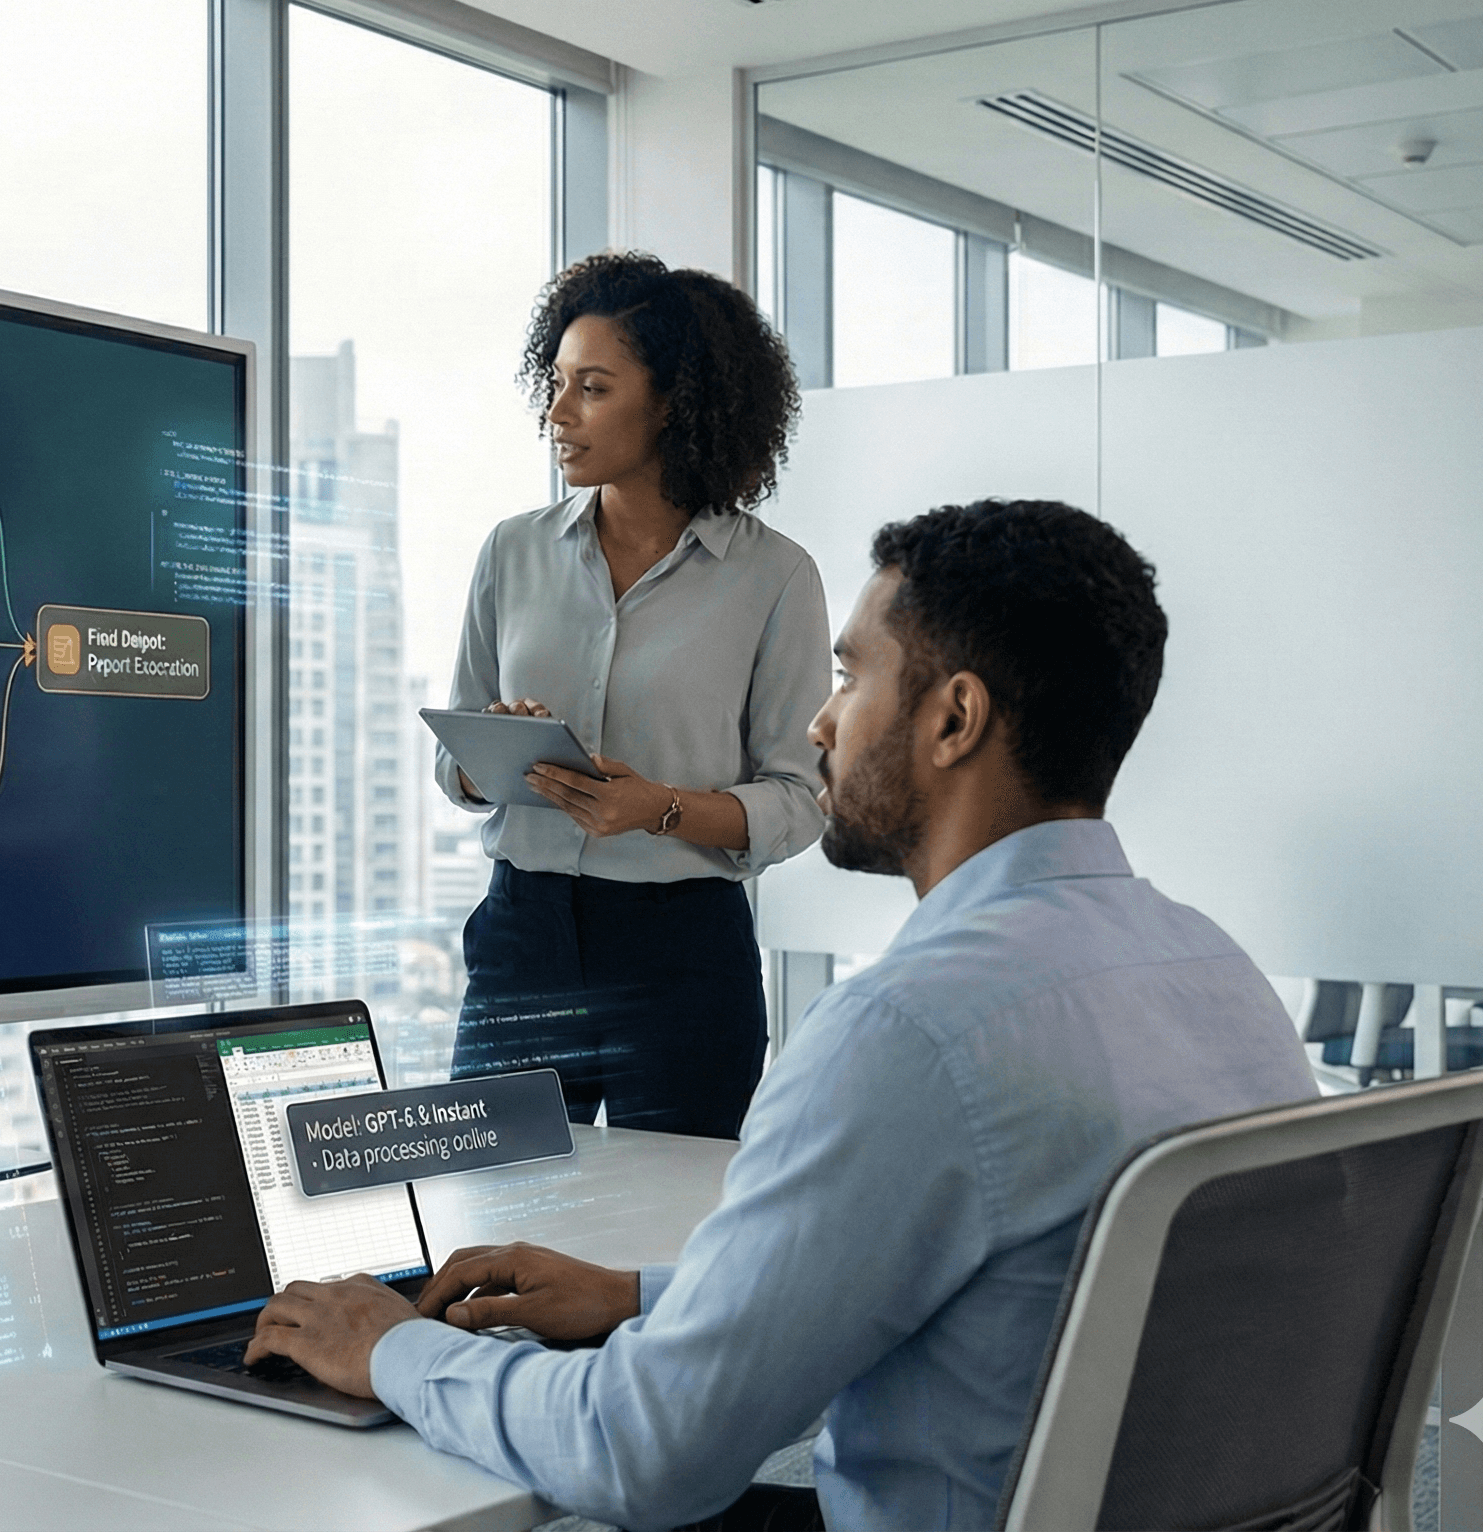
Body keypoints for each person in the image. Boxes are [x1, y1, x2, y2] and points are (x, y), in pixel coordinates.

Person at [251, 500, 1317, 1530]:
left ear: (952, 719)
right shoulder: (1214, 973)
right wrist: (642, 1296)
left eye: (848, 676)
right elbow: (994, 1273)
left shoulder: (909, 1031)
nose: (817, 722)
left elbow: (642, 1453)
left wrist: (388, 1345)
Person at [438, 252, 827, 1140]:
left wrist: (661, 810)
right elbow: (452, 761)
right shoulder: (512, 551)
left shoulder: (775, 578)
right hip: (521, 939)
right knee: (491, 1213)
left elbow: (800, 802)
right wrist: (490, 754)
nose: (558, 413)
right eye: (558, 382)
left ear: (674, 402)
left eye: (593, 388)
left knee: (675, 1234)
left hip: (680, 953)